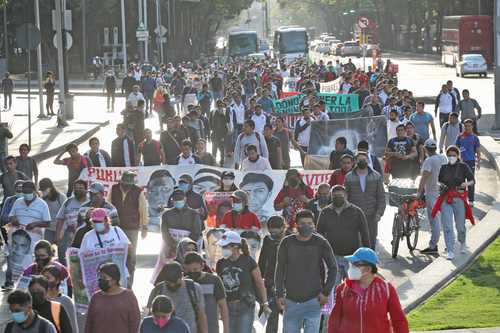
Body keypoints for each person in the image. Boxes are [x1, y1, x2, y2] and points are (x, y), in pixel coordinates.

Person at [275, 209, 337, 333]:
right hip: (291, 300)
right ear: (296, 225)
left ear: (314, 225)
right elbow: (280, 269)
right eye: (303, 223)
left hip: (314, 300)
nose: (307, 226)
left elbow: (333, 268)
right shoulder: (286, 242)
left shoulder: (321, 242)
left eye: (310, 223)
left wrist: (325, 292)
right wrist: (279, 294)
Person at [328, 247, 409, 333]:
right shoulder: (342, 289)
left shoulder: (387, 289)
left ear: (368, 269)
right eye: (351, 264)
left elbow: (399, 321)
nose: (350, 267)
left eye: (355, 264)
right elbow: (334, 320)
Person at [216, 230, 270, 333]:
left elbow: (259, 283)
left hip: (246, 305)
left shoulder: (248, 261)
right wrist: (219, 307)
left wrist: (265, 303)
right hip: (228, 306)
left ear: (235, 247)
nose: (223, 249)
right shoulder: (220, 263)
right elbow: (219, 286)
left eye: (225, 246)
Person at [318, 185, 370, 288]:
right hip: (333, 258)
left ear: (346, 196)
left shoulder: (356, 211)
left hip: (352, 258)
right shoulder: (325, 212)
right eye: (335, 196)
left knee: (354, 288)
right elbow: (319, 234)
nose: (337, 197)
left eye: (340, 195)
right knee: (334, 289)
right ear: (331, 197)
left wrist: (368, 257)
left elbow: (365, 234)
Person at [432, 145, 475, 260]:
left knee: (460, 225)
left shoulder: (463, 167)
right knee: (447, 226)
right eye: (449, 155)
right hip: (446, 198)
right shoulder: (444, 167)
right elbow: (438, 181)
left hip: (459, 198)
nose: (451, 157)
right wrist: (441, 185)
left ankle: (462, 243)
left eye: (453, 155)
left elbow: (472, 180)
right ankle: (450, 249)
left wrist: (466, 184)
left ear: (458, 155)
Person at [107, 171, 149, 286]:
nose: (126, 186)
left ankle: (129, 284)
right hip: (115, 228)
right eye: (124, 183)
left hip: (132, 229)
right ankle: (116, 282)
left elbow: (143, 210)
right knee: (115, 255)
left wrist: (144, 227)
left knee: (131, 257)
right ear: (121, 181)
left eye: (129, 184)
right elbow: (108, 205)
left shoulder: (138, 191)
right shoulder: (114, 189)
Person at [147, 261, 208, 333]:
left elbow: (201, 315)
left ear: (182, 276)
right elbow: (150, 315)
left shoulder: (194, 289)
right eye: (169, 283)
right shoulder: (158, 290)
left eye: (175, 282)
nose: (172, 285)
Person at [344, 152, 386, 250]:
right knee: (354, 242)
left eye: (364, 159)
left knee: (370, 241)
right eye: (359, 160)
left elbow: (381, 197)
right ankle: (357, 263)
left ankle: (370, 263)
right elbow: (345, 196)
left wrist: (379, 213)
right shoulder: (349, 177)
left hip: (371, 214)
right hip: (354, 215)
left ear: (368, 161)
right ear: (355, 161)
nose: (362, 161)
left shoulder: (376, 176)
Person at [85, 263, 141, 333]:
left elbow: (135, 323)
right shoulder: (96, 298)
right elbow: (89, 323)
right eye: (100, 277)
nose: (100, 280)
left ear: (114, 280)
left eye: (104, 277)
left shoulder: (128, 297)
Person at [183, 252, 230, 333]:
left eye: (195, 269)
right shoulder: (184, 283)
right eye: (189, 270)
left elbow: (223, 306)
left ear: (202, 266)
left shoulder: (214, 280)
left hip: (211, 328)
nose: (192, 273)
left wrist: (226, 329)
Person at [257, 216, 287, 333]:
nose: (273, 234)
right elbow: (262, 260)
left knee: (289, 315)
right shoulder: (268, 240)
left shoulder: (291, 239)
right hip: (270, 280)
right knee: (272, 313)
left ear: (283, 228)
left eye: (276, 232)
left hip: (288, 281)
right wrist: (259, 278)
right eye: (271, 232)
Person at [417, 139, 447, 254]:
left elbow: (423, 178)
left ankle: (433, 245)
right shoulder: (443, 158)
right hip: (444, 192)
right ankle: (450, 244)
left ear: (425, 149)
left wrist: (419, 193)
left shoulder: (429, 161)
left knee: (434, 220)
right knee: (446, 218)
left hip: (432, 193)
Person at [72, 182, 120, 248]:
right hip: (86, 241)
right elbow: (79, 226)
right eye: (91, 194)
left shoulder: (111, 209)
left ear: (102, 194)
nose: (92, 196)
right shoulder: (83, 208)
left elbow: (115, 227)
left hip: (105, 241)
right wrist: (87, 219)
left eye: (95, 194)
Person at [161, 188, 203, 258]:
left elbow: (196, 232)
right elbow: (164, 232)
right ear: (172, 201)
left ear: (185, 199)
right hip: (171, 248)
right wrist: (173, 245)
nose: (178, 201)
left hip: (189, 248)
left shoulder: (194, 214)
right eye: (175, 199)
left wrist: (186, 245)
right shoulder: (166, 214)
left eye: (180, 199)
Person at [42, 266, 79, 333]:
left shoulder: (66, 301)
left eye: (48, 278)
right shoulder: (40, 300)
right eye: (43, 278)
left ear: (57, 280)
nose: (45, 281)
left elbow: (73, 327)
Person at [455, 119, 481, 204]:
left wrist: (479, 161)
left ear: (472, 126)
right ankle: (461, 198)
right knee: (461, 181)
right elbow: (456, 149)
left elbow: (477, 150)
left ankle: (471, 200)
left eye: (469, 126)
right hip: (461, 162)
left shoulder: (475, 138)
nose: (467, 128)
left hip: (471, 162)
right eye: (465, 126)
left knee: (470, 180)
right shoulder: (460, 137)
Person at [210, 100, 230, 166]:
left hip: (222, 134)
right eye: (218, 105)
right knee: (214, 149)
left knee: (222, 149)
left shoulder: (225, 112)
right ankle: (213, 161)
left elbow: (228, 121)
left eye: (221, 105)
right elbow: (210, 123)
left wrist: (223, 115)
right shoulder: (212, 112)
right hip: (214, 134)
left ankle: (222, 162)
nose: (220, 107)